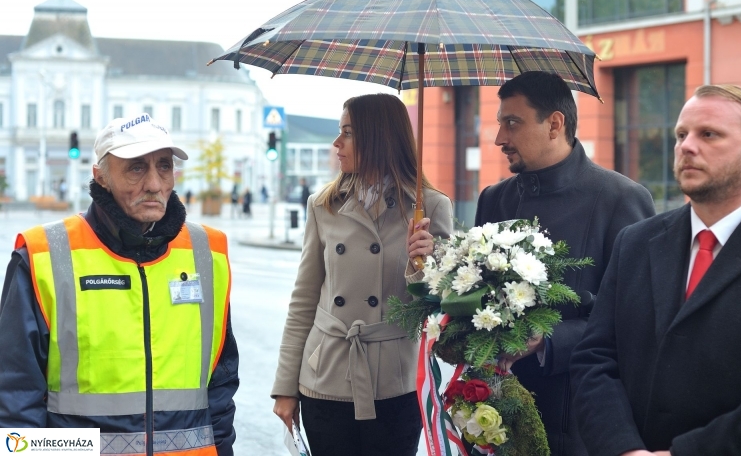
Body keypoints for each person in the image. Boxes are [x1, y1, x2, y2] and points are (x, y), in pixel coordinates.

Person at [407, 71, 655, 456]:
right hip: (494, 416)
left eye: (513, 122)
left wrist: (546, 342)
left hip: (580, 420)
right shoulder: (494, 199)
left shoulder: (620, 199)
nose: (499, 138)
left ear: (555, 124)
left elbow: (635, 321)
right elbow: (476, 302)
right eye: (499, 122)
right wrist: (435, 266)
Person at [570, 85, 741, 456]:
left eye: (709, 134)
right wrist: (623, 448)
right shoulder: (635, 243)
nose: (687, 146)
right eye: (681, 134)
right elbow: (594, 358)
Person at [0, 113, 239, 456]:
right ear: (101, 177)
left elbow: (221, 382)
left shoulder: (207, 252)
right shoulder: (44, 255)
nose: (155, 184)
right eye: (136, 168)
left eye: (164, 166)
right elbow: (15, 393)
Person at [272, 93, 453, 456]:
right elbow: (304, 299)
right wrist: (285, 387)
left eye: (348, 133)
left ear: (378, 137)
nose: (336, 144)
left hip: (394, 384)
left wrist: (424, 262)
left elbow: (441, 306)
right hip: (326, 378)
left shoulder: (430, 206)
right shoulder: (324, 205)